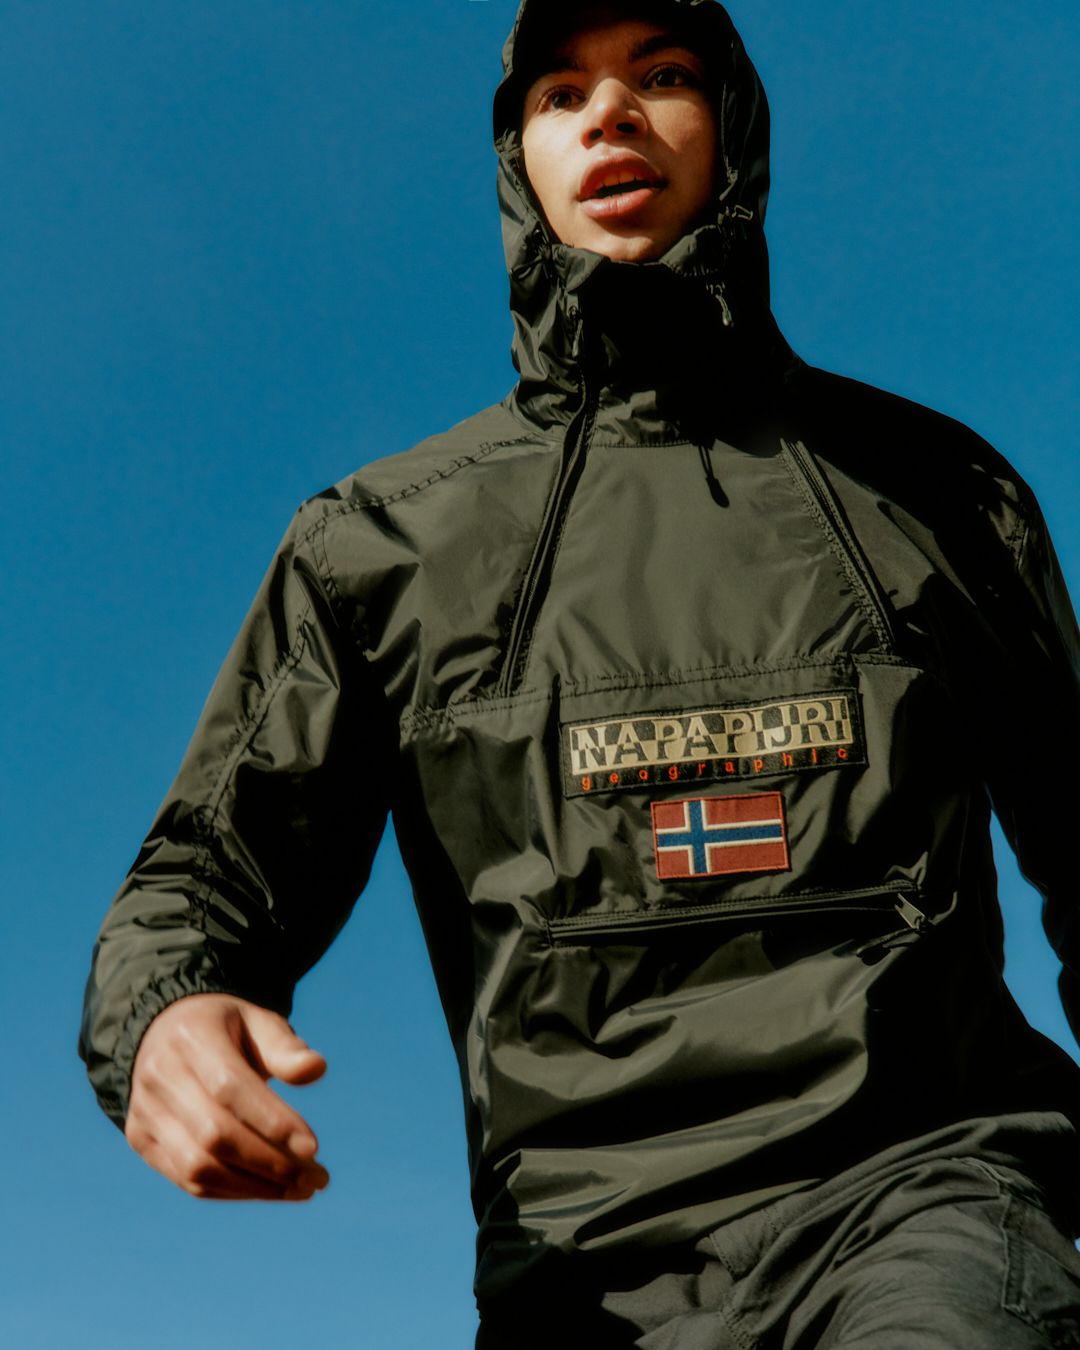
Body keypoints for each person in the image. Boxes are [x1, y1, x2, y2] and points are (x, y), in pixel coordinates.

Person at [80, 0, 1080, 1344]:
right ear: (521, 164)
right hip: (577, 1271)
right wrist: (165, 1015)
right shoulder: (380, 544)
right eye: (560, 93)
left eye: (660, 74)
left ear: (733, 130)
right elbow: (205, 875)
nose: (609, 112)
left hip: (923, 1200)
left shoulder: (939, 492)